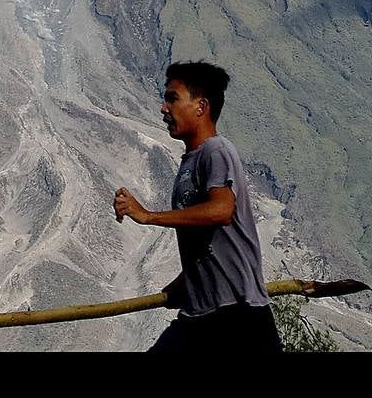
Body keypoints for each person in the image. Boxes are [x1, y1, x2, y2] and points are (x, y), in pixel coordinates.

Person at [113, 61, 282, 352]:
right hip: (203, 313)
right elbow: (209, 241)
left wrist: (147, 216)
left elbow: (221, 211)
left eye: (172, 98)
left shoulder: (216, 151)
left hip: (236, 316)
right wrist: (188, 281)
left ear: (201, 107)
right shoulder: (192, 160)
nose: (164, 108)